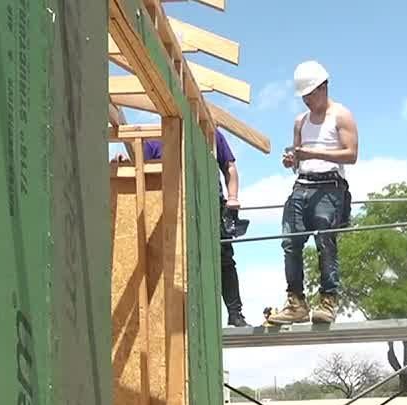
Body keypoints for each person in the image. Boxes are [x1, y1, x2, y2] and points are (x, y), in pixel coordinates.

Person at [264, 60, 359, 326]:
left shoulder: (341, 115)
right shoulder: (300, 121)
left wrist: (313, 152)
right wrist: (291, 161)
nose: (306, 100)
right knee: (290, 242)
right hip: (302, 185)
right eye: (303, 96)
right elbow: (297, 159)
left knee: (325, 242)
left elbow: (351, 155)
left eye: (310, 94)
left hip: (330, 186)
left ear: (324, 87)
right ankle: (296, 303)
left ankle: (328, 302)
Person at [126, 128, 249, 327]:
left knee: (223, 258)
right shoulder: (154, 138)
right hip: (172, 206)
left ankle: (235, 313)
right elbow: (141, 170)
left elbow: (230, 167)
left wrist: (233, 198)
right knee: (175, 263)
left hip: (210, 205)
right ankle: (178, 318)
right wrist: (126, 162)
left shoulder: (209, 133)